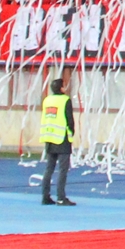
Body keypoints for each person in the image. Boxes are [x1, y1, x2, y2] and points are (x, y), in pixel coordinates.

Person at [39, 76, 75, 206]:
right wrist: (72, 132)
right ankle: (61, 197)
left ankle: (45, 196)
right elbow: (69, 119)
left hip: (49, 137)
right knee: (63, 169)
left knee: (49, 168)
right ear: (61, 88)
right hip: (61, 137)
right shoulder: (65, 100)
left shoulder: (47, 100)